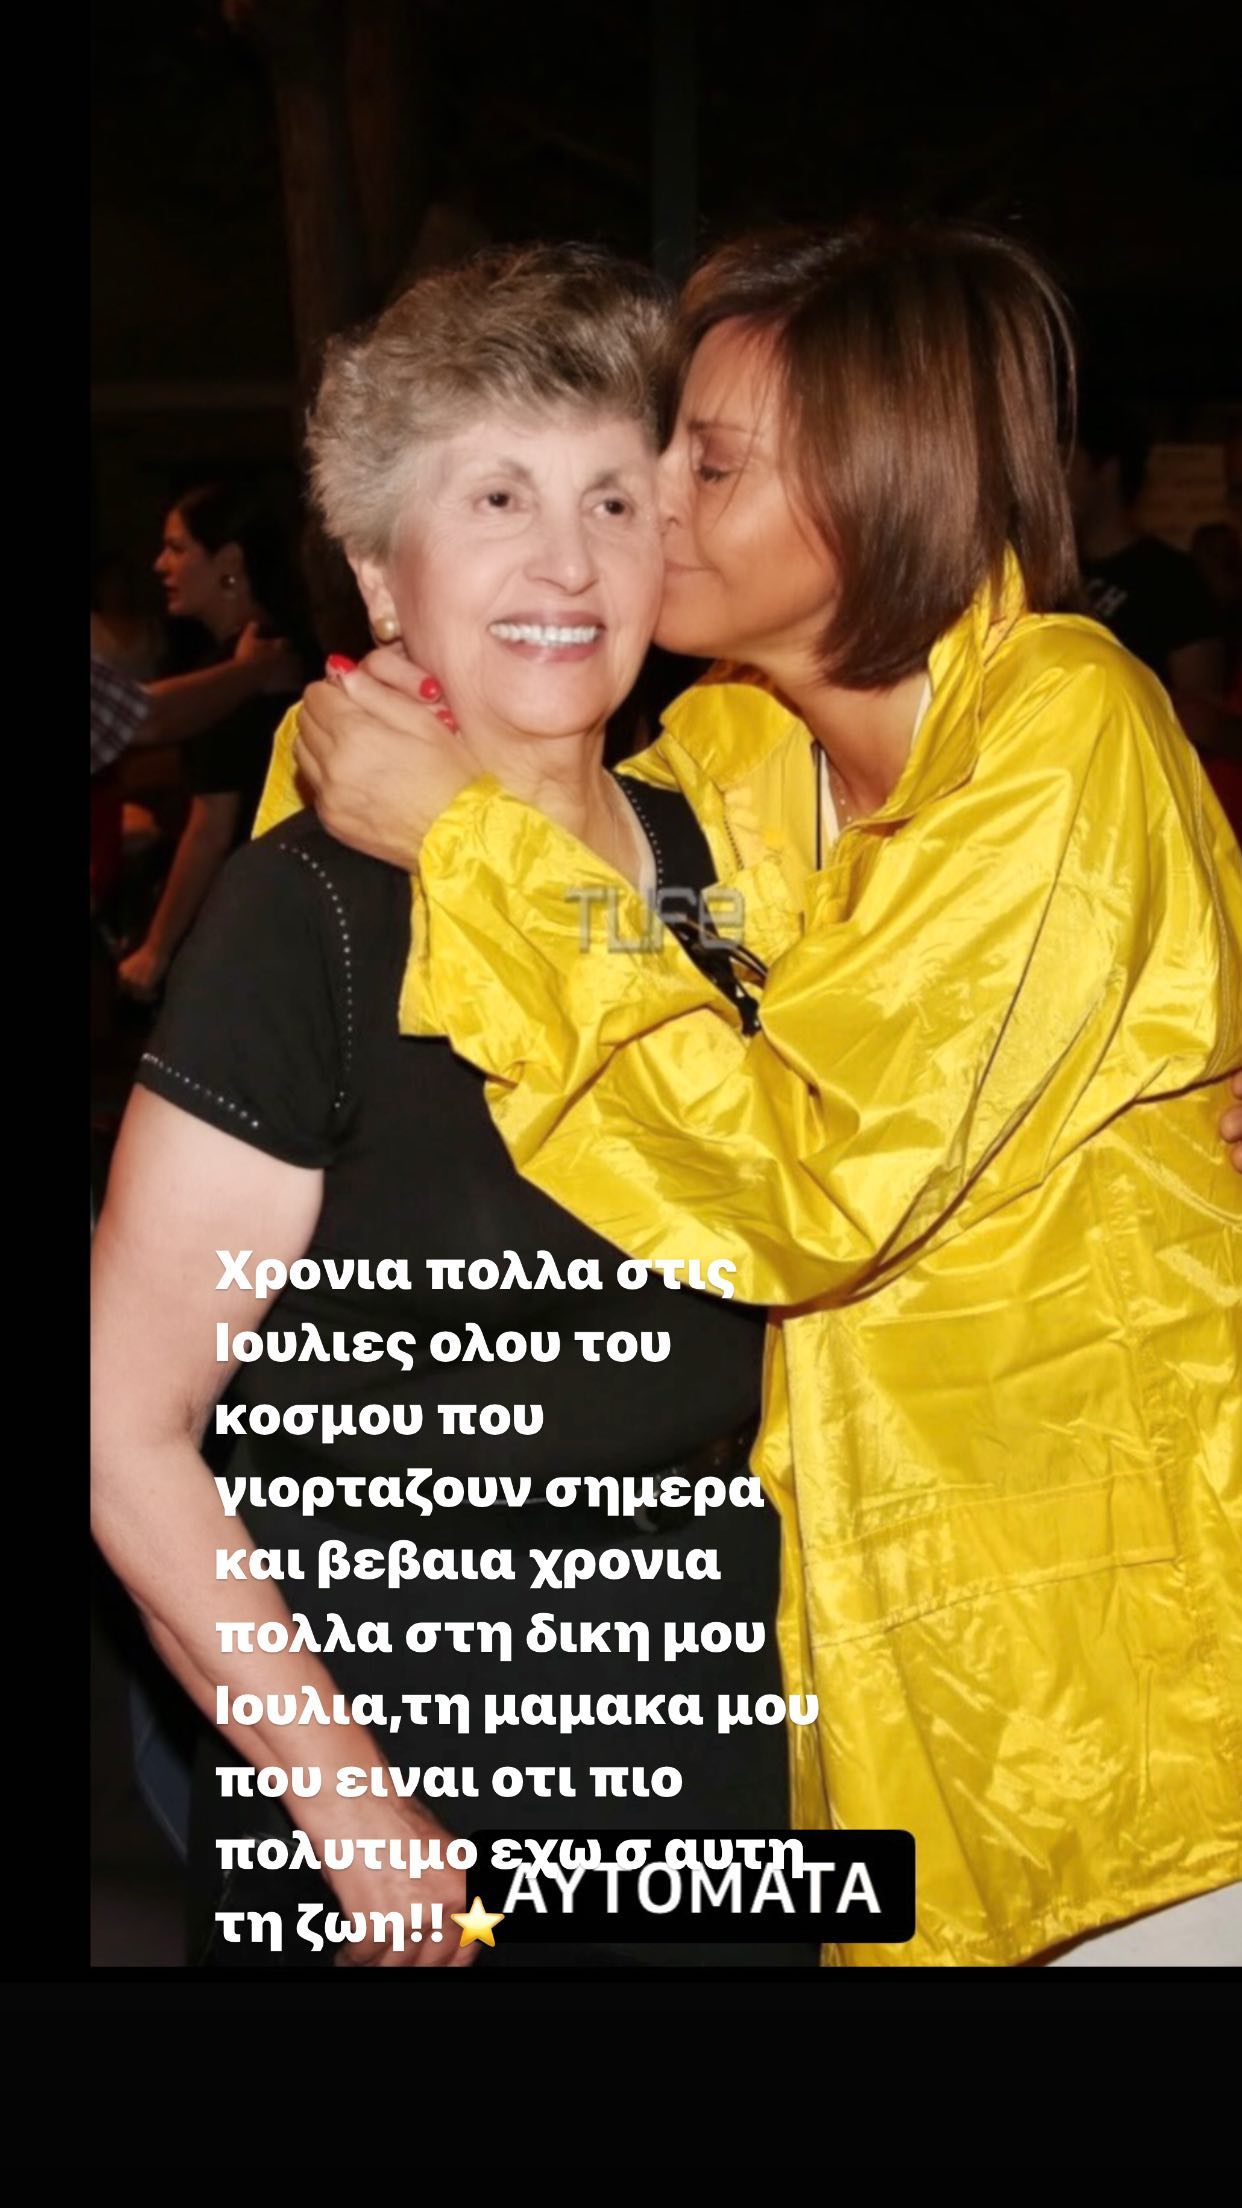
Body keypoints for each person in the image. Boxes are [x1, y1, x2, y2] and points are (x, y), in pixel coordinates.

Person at [277, 222, 1242, 1968]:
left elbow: (808, 1180)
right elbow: (511, 836)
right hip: (884, 1692)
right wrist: (401, 713)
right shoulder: (742, 748)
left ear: (879, 490)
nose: (645, 499)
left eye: (704, 464)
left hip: (1134, 1707)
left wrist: (464, 839)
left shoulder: (1060, 725)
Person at [91, 247, 820, 1973]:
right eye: (497, 497)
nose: (566, 562)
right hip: (419, 1818)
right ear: (377, 568)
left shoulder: (750, 873)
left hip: (737, 1789)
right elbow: (122, 1424)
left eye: (613, 500)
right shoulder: (315, 916)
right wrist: (346, 1805)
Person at [116, 482, 306, 1003]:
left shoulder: (239, 676)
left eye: (177, 548)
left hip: (246, 925)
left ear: (229, 562)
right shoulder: (276, 655)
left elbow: (212, 826)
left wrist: (155, 950)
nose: (159, 565)